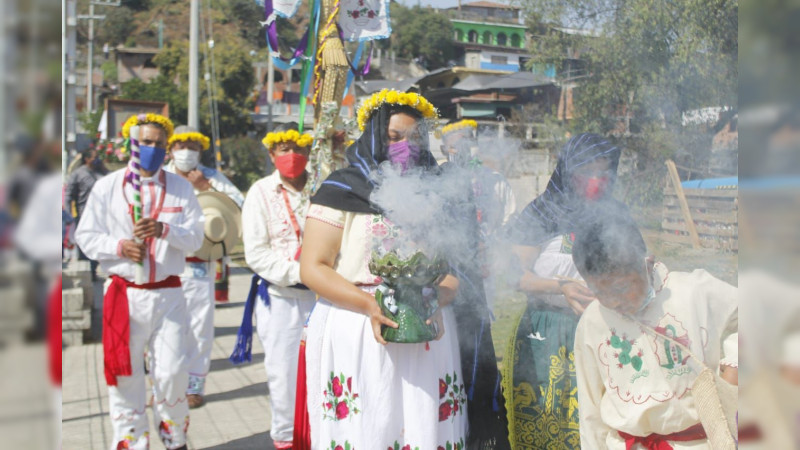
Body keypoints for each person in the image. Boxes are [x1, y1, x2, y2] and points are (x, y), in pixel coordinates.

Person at [300, 90, 468, 449]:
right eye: (394, 138)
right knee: (367, 430)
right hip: (357, 326)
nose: (405, 147)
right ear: (375, 136)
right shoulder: (342, 189)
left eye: (414, 139)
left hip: (427, 327)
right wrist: (369, 305)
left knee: (423, 427)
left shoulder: (438, 192)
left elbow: (455, 268)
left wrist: (436, 297)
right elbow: (313, 268)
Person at [74, 113, 204, 450]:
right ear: (131, 142)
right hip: (124, 294)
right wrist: (119, 246)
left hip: (168, 294)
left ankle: (175, 438)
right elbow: (86, 236)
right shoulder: (107, 187)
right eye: (147, 142)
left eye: (160, 144)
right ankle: (131, 441)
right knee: (125, 376)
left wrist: (165, 230)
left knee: (173, 372)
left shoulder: (180, 187)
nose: (153, 149)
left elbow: (195, 239)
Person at [572, 212, 738, 449]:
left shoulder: (693, 292)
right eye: (601, 292)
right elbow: (590, 410)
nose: (614, 302)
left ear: (646, 262)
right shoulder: (593, 321)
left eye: (622, 287)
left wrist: (734, 364)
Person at [501, 133, 624, 448]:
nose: (595, 181)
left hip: (604, 330)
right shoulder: (541, 213)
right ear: (568, 172)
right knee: (549, 420)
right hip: (548, 329)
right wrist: (561, 287)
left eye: (602, 172)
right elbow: (514, 275)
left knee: (598, 422)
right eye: (587, 172)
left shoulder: (617, 215)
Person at [236, 123, 316, 450]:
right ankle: (286, 440)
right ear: (271, 154)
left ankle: (322, 437)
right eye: (284, 149)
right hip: (281, 299)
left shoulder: (324, 189)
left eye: (298, 149)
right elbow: (256, 253)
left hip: (323, 299)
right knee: (283, 378)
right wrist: (303, 272)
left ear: (310, 153)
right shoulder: (259, 192)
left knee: (324, 370)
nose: (292, 156)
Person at [439, 119, 514, 448]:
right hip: (449, 280)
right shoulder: (437, 178)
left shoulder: (495, 182)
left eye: (465, 141)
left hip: (483, 275)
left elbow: (508, 224)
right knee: (453, 342)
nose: (461, 147)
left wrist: (495, 248)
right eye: (453, 142)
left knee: (480, 340)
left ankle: (481, 414)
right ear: (444, 148)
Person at [163, 125, 243, 409]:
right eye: (181, 145)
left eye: (193, 147)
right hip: (164, 262)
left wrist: (206, 189)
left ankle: (194, 385)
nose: (186, 152)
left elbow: (239, 206)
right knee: (162, 325)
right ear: (171, 149)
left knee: (198, 326)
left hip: (199, 264)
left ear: (200, 150)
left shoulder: (212, 177)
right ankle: (164, 384)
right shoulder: (160, 177)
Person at [65, 147, 109, 279]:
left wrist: (103, 167)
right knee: (85, 242)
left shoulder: (101, 171)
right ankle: (87, 271)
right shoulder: (78, 174)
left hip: (102, 214)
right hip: (84, 213)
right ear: (87, 159)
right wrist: (68, 215)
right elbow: (69, 195)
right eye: (94, 157)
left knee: (98, 242)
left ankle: (93, 268)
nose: (97, 159)